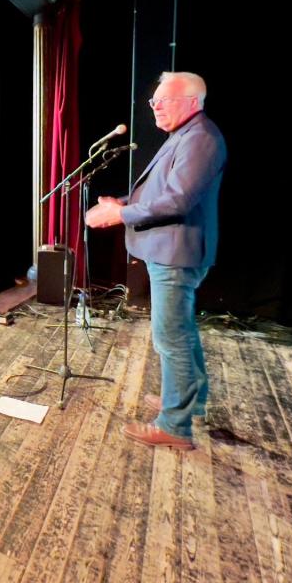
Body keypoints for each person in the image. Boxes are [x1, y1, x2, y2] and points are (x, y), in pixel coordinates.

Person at [85, 71, 226, 449]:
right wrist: (125, 203)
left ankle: (174, 427)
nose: (156, 107)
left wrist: (119, 215)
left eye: (165, 100)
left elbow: (177, 201)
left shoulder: (200, 139)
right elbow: (162, 192)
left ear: (193, 102)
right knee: (180, 332)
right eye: (153, 101)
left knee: (171, 338)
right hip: (172, 250)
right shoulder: (184, 135)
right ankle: (189, 400)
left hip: (176, 253)